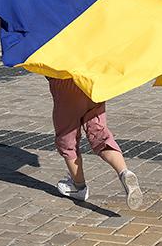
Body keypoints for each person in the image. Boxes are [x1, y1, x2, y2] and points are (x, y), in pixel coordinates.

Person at [50, 77, 144, 210]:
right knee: (100, 135)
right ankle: (124, 172)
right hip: (92, 81)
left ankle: (79, 186)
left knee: (67, 139)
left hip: (65, 84)